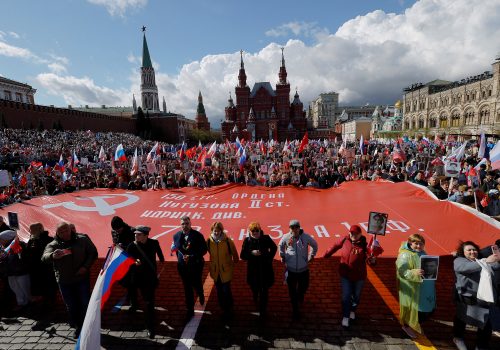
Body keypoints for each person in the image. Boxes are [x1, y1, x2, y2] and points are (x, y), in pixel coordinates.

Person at [41, 222, 98, 338]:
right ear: (57, 233)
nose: (64, 233)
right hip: (64, 281)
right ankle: (78, 327)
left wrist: (85, 267)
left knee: (84, 303)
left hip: (81, 278)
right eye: (61, 232)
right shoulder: (54, 244)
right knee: (71, 306)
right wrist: (52, 256)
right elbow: (44, 257)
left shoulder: (82, 239)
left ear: (70, 229)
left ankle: (86, 327)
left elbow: (93, 253)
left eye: (66, 230)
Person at [324, 224, 376, 328]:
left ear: (360, 234)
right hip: (345, 275)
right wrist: (327, 254)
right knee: (346, 296)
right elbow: (335, 246)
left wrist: (373, 260)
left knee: (356, 296)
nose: (354, 236)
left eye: (356, 234)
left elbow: (370, 260)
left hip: (359, 276)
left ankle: (353, 310)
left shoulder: (365, 246)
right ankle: (346, 316)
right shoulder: (345, 240)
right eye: (352, 233)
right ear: (349, 233)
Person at [452, 240, 500, 350]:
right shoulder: (459, 261)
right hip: (466, 299)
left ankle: (481, 346)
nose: (472, 252)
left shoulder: (481, 260)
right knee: (462, 319)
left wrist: (497, 259)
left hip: (483, 299)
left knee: (485, 325)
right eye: (469, 250)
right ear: (462, 252)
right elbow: (466, 268)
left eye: (474, 249)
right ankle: (458, 338)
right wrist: (486, 262)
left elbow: (495, 267)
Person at [126, 225, 164, 339]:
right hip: (137, 278)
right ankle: (138, 309)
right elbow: (126, 260)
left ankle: (150, 327)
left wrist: (161, 262)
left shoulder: (154, 243)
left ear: (146, 235)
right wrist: (133, 261)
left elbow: (160, 256)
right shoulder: (132, 245)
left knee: (149, 302)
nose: (135, 235)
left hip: (150, 278)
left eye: (139, 234)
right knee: (145, 301)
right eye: (135, 234)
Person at [396, 234, 436, 339]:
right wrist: (413, 272)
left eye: (421, 244)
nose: (419, 246)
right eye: (416, 243)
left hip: (423, 287)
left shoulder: (422, 252)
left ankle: (415, 323)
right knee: (412, 308)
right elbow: (402, 271)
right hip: (412, 287)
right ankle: (407, 326)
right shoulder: (405, 255)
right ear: (410, 243)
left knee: (425, 310)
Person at [278, 219, 318, 319]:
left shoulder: (305, 237)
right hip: (291, 270)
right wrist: (282, 256)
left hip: (303, 269)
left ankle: (300, 295)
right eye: (292, 227)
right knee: (292, 291)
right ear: (289, 229)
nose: (294, 229)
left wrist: (311, 255)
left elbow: (314, 245)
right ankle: (295, 310)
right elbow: (280, 246)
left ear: (299, 228)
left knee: (304, 287)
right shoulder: (286, 237)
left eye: (296, 227)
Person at [172, 216, 208, 321]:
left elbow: (204, 250)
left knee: (197, 284)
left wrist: (191, 257)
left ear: (190, 224)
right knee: (187, 288)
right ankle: (190, 310)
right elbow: (177, 249)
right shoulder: (176, 236)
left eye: (187, 223)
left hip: (196, 266)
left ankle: (200, 294)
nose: (185, 226)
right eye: (183, 224)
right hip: (183, 268)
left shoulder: (197, 235)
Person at [240, 221, 277, 319]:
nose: (255, 233)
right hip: (253, 271)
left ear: (260, 230)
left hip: (265, 269)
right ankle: (255, 294)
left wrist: (269, 258)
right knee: (254, 288)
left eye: (257, 230)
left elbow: (274, 248)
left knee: (264, 291)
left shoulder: (266, 238)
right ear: (249, 231)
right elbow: (242, 255)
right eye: (253, 231)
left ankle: (263, 311)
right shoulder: (247, 241)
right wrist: (251, 253)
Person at [25, 222, 58, 330]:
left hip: (47, 272)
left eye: (31, 229)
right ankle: (42, 312)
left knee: (50, 293)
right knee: (40, 293)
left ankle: (51, 313)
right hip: (36, 273)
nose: (30, 232)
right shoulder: (31, 240)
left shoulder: (49, 240)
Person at [206, 221, 239, 320]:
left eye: (218, 231)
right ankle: (223, 308)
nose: (216, 233)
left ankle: (229, 307)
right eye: (214, 231)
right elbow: (208, 251)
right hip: (215, 270)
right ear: (212, 230)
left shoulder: (228, 241)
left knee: (226, 290)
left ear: (221, 230)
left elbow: (235, 254)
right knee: (219, 291)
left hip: (225, 270)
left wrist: (234, 263)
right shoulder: (208, 241)